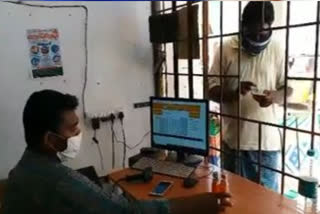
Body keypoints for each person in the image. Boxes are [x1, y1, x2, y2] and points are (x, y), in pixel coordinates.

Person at [3, 89, 231, 214]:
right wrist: (200, 204)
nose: (79, 133)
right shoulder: (58, 180)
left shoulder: (24, 168)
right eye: (73, 128)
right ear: (50, 139)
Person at [209, 1, 292, 192]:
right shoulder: (225, 49)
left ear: (271, 27)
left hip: (267, 147)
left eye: (263, 33)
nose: (257, 38)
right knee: (232, 201)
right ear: (242, 27)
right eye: (252, 33)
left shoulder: (278, 49)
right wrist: (234, 92)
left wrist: (275, 96)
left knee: (266, 205)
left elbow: (288, 89)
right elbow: (211, 91)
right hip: (233, 143)